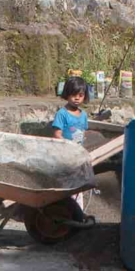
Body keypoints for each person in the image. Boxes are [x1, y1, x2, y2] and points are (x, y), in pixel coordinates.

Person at [52, 76, 89, 208]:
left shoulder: (83, 115)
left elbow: (84, 134)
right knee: (68, 185)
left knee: (79, 186)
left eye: (80, 95)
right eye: (74, 95)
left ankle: (79, 212)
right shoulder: (62, 114)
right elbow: (57, 135)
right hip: (65, 155)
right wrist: (69, 146)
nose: (77, 98)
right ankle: (68, 210)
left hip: (78, 157)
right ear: (67, 94)